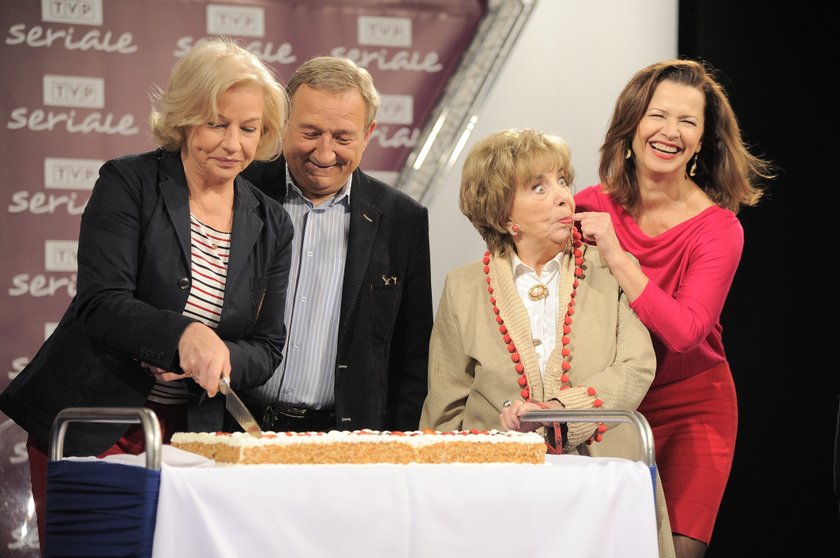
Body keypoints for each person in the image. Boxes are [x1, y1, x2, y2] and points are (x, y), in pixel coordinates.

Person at [0, 37, 294, 552]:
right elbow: (100, 301)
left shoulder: (272, 222)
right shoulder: (128, 181)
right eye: (217, 124)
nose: (233, 143)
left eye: (249, 129)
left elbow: (267, 348)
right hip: (97, 422)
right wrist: (182, 337)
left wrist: (218, 357)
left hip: (194, 438)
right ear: (185, 119)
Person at [419, 128, 674, 558]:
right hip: (498, 492)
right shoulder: (462, 286)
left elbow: (637, 367)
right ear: (504, 216)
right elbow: (445, 410)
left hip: (600, 481)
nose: (562, 197)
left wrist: (557, 411)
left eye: (563, 181)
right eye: (539, 187)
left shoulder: (611, 267)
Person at [573, 59, 773, 558]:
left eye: (687, 121)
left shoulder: (719, 228)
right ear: (633, 123)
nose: (670, 132)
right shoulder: (588, 205)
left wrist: (618, 256)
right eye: (658, 115)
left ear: (702, 140)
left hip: (692, 407)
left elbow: (686, 332)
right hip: (609, 404)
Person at [240, 56, 433, 433]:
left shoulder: (403, 220)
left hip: (348, 441)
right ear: (283, 121)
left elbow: (414, 357)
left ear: (368, 133)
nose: (324, 154)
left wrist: (401, 444)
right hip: (235, 424)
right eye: (310, 133)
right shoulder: (239, 191)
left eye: (343, 138)